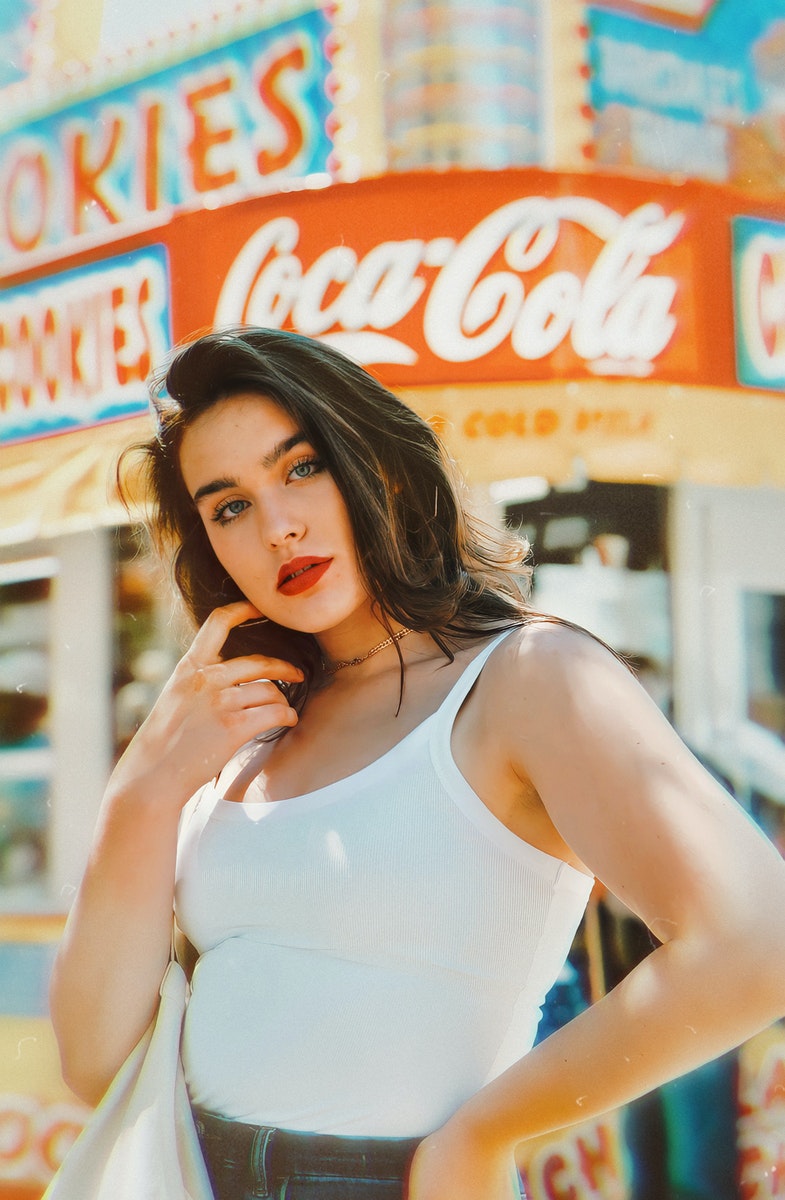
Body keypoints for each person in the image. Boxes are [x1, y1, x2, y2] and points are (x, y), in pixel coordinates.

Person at [49, 327, 785, 1200]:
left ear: (385, 468)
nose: (279, 526)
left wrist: (484, 1133)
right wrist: (146, 784)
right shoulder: (246, 727)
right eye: (230, 507)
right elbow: (98, 1062)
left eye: (301, 467)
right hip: (187, 1172)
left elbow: (756, 942)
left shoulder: (524, 677)